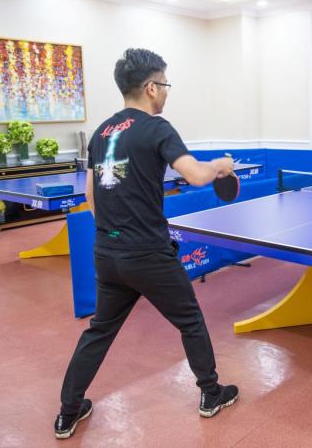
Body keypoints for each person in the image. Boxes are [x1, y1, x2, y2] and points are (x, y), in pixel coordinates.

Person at [54, 49, 238, 439]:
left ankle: (68, 412)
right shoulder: (157, 128)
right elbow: (195, 175)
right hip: (149, 254)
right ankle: (210, 393)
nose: (167, 92)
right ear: (152, 87)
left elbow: (90, 195)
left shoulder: (101, 133)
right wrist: (221, 166)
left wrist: (115, 235)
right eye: (166, 84)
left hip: (107, 253)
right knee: (190, 321)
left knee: (99, 331)